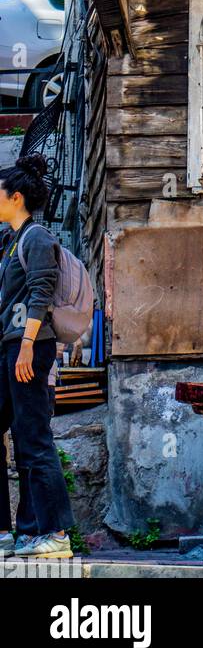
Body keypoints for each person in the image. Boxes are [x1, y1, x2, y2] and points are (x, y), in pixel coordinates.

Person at [0, 155, 73, 558]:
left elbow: (41, 292)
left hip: (29, 346)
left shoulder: (38, 238)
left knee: (34, 439)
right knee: (21, 437)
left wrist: (28, 344)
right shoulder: (10, 240)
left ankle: (55, 534)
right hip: (9, 347)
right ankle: (14, 532)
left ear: (15, 197)